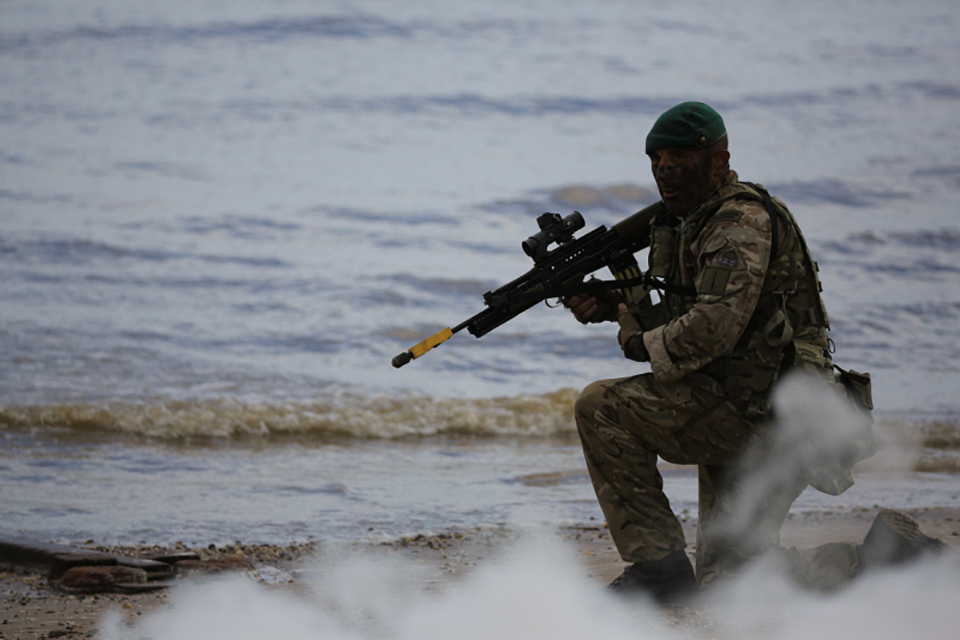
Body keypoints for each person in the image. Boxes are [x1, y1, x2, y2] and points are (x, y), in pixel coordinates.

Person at [566, 102, 944, 602]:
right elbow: (688, 325)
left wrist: (639, 341)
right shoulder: (688, 223)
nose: (664, 171)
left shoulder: (737, 223)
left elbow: (712, 329)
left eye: (678, 158)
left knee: (600, 407)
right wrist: (622, 308)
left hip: (771, 416)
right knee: (733, 587)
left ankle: (657, 571)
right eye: (656, 160)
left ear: (719, 160)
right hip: (738, 402)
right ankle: (888, 559)